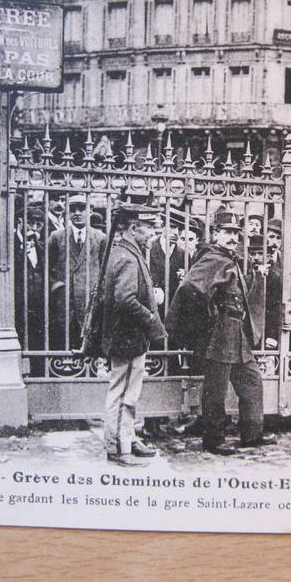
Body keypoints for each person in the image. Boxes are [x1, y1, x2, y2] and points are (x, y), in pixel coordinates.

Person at [165, 210, 275, 455]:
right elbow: (189, 288)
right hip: (219, 333)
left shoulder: (228, 258)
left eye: (236, 233)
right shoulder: (213, 258)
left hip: (236, 333)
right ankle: (213, 440)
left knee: (252, 381)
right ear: (215, 234)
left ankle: (252, 434)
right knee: (216, 389)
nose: (232, 237)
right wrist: (208, 314)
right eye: (227, 232)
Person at [96, 194, 167, 467]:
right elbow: (125, 299)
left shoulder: (128, 252)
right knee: (123, 393)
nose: (153, 232)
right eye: (149, 227)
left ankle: (126, 438)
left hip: (129, 337)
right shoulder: (126, 256)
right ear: (133, 228)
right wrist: (150, 317)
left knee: (129, 393)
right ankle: (117, 447)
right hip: (127, 337)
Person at [47, 194, 108, 350]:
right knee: (63, 348)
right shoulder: (56, 237)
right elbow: (47, 267)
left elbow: (105, 270)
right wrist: (57, 287)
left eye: (82, 209)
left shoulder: (100, 238)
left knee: (88, 350)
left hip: (89, 304)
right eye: (73, 209)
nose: (77, 213)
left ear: (90, 211)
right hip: (64, 304)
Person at [14, 205, 46, 351]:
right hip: (16, 307)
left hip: (38, 307)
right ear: (20, 222)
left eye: (38, 224)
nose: (34, 228)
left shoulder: (42, 247)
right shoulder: (9, 244)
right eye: (30, 223)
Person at [245, 234, 283, 350]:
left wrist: (272, 336)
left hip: (265, 333)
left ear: (268, 256)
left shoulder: (274, 277)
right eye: (253, 254)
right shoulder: (247, 275)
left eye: (260, 254)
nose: (256, 257)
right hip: (248, 331)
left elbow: (275, 309)